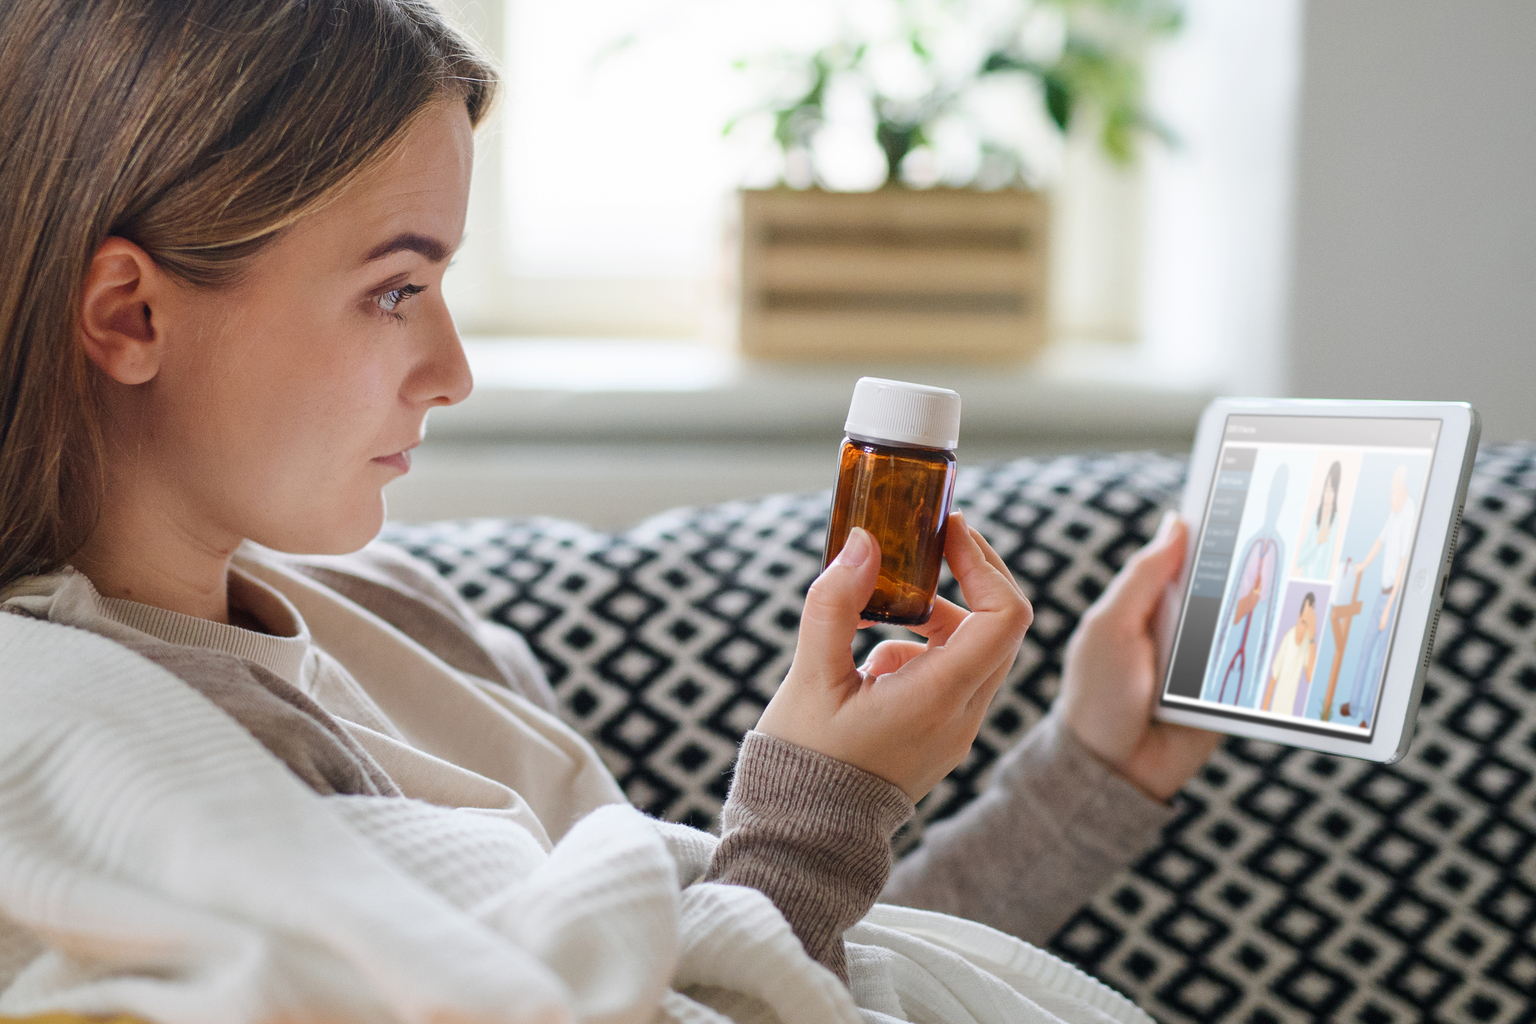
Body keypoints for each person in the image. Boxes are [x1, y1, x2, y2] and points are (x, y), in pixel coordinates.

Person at [0, 1, 1220, 1019]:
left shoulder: (403, 618)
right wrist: (817, 804)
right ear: (130, 316)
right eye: (395, 288)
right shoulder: (100, 743)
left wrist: (1091, 769)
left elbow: (787, 977)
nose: (453, 369)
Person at [1202, 464, 1289, 708]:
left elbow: (1270, 605)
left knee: (1247, 688)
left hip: (1257, 624)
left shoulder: (1278, 547)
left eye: (1279, 496)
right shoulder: (1251, 542)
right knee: (1218, 683)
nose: (1275, 501)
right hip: (1236, 621)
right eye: (1273, 494)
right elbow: (1234, 596)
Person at [1338, 465, 1416, 728]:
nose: (1390, 494)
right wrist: (1361, 566)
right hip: (1380, 594)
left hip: (1392, 599)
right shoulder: (1393, 514)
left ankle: (1367, 716)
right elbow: (1378, 543)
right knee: (1364, 652)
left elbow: (1404, 565)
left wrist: (1387, 609)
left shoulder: (1409, 515)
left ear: (1403, 488)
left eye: (1394, 489)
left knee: (1378, 662)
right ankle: (1354, 703)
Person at [1261, 592, 1318, 716]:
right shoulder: (1288, 637)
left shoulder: (1309, 641)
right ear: (1298, 617)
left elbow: (1310, 677)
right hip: (1274, 712)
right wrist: (1262, 716)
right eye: (1303, 622)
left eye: (1307, 625)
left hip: (1288, 715)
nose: (1303, 630)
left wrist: (1313, 636)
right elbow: (1272, 681)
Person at [1294, 461, 1342, 579]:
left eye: (1332, 491)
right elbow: (1299, 561)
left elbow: (1328, 563)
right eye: (1326, 489)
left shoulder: (1335, 520)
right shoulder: (1315, 515)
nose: (1328, 495)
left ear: (1336, 494)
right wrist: (1317, 541)